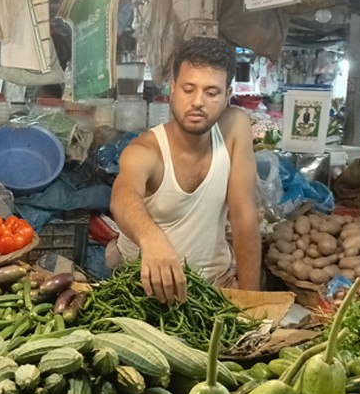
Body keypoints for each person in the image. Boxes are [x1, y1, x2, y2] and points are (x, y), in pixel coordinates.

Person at [107, 37, 261, 304]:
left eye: (211, 93)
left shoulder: (235, 128)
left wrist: (252, 303)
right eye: (188, 89)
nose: (197, 102)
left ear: (227, 96)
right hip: (144, 291)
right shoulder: (146, 151)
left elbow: (244, 215)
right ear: (173, 88)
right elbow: (122, 196)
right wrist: (151, 238)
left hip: (212, 289)